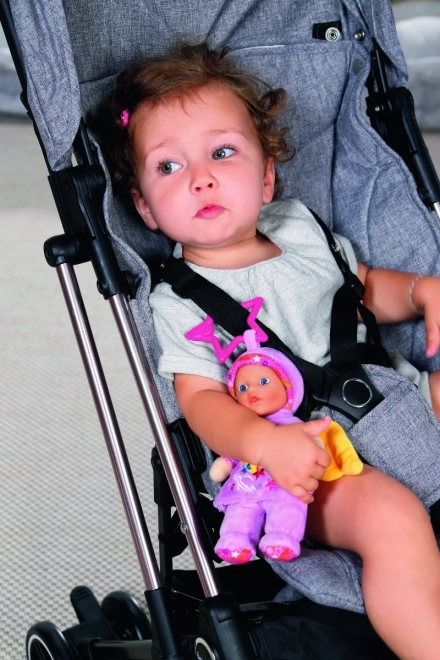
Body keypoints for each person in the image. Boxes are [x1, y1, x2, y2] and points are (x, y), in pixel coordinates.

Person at [89, 43, 440, 659]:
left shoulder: (299, 227)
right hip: (306, 466)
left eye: (222, 153)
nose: (200, 177)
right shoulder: (180, 301)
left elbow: (359, 290)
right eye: (168, 166)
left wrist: (418, 291)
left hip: (393, 408)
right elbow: (201, 401)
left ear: (267, 175)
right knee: (391, 517)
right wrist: (263, 444)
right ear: (144, 206)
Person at [207, 328, 363, 565]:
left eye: (263, 381)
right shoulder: (245, 428)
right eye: (242, 388)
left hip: (285, 484)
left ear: (287, 386)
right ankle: (235, 539)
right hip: (246, 485)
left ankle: (281, 538)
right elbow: (230, 456)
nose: (252, 391)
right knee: (241, 508)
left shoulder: (295, 425)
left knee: (288, 504)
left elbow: (313, 444)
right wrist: (224, 464)